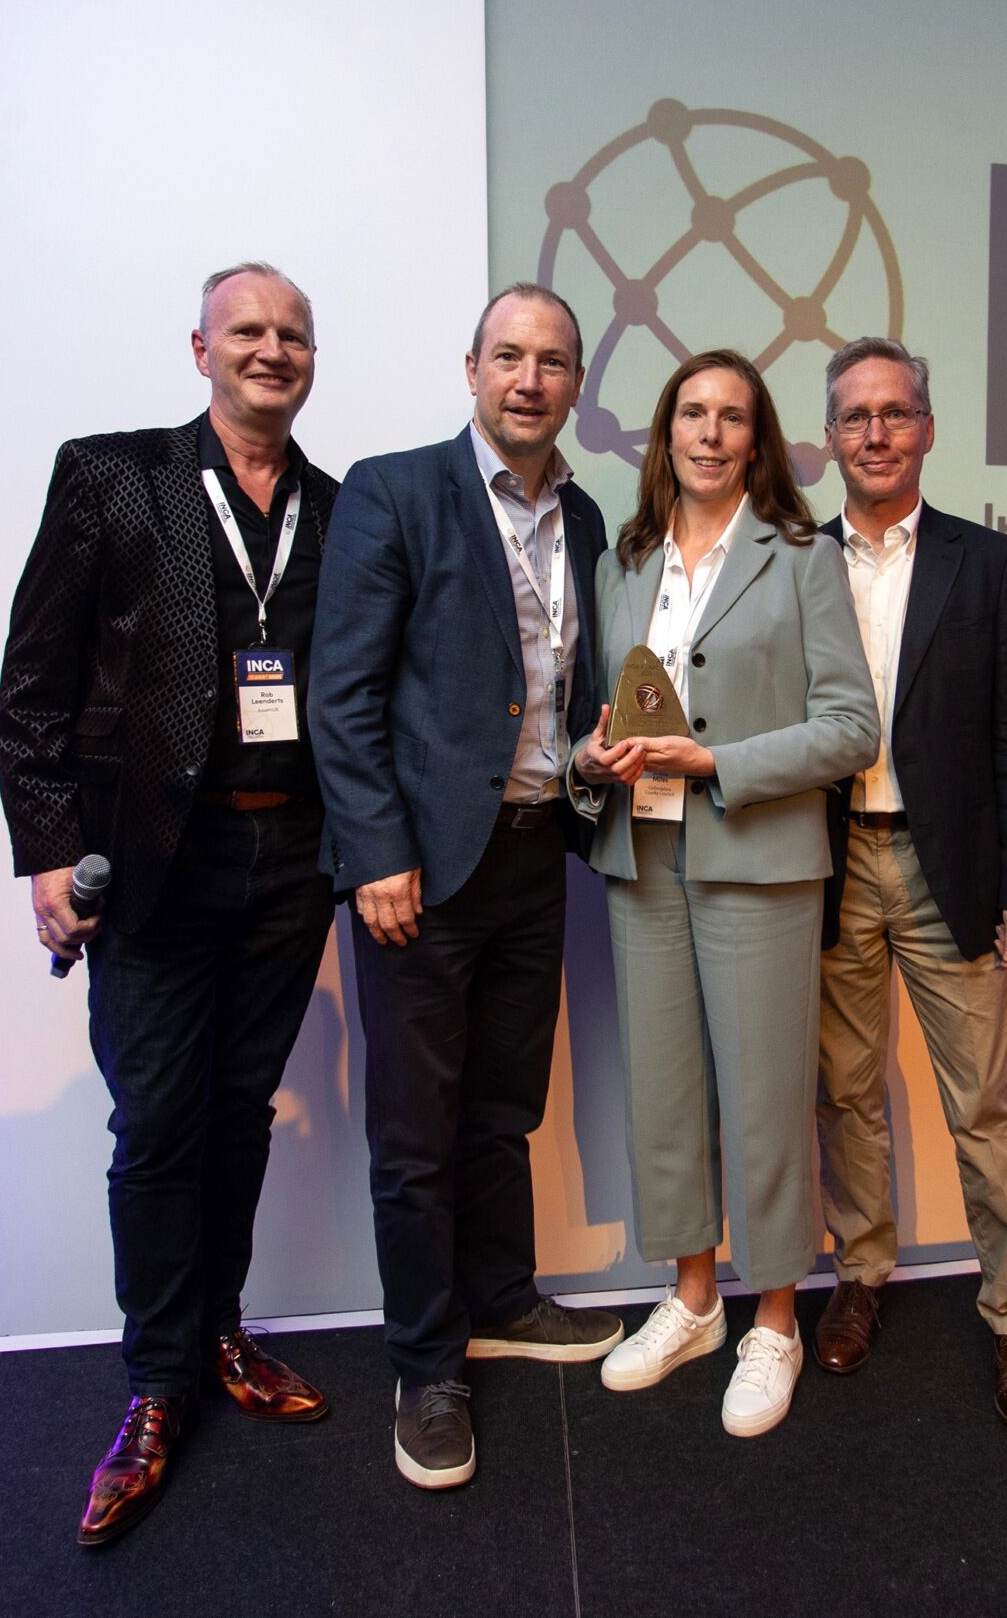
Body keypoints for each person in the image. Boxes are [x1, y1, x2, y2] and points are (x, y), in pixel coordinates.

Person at [0, 263, 341, 1546]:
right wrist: (48, 850)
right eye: (247, 331)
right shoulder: (114, 475)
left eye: (292, 335)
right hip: (151, 865)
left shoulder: (338, 509)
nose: (271, 350)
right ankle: (154, 1386)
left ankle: (219, 1331)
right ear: (200, 347)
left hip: (287, 865)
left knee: (239, 1112)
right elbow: (33, 680)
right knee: (155, 1125)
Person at [307, 283, 626, 1490]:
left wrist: (591, 758)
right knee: (414, 1135)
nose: (529, 380)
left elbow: (565, 685)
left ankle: (502, 1301)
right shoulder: (395, 492)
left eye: (552, 361)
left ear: (575, 383)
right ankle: (427, 1364)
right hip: (421, 874)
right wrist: (378, 854)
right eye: (508, 357)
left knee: (502, 1109)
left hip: (537, 851)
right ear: (470, 368)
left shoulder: (585, 517)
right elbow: (342, 696)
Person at [571, 349, 878, 1437]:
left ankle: (778, 1318)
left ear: (757, 440)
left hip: (756, 858)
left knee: (762, 1104)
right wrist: (591, 758)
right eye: (690, 413)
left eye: (731, 417)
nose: (708, 433)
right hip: (640, 857)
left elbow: (851, 727)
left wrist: (718, 765)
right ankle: (695, 1300)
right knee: (664, 1097)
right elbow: (597, 717)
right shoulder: (625, 561)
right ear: (665, 433)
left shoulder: (799, 557)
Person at [806, 336, 1007, 1430]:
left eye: (895, 413)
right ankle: (860, 1275)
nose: (875, 432)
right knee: (846, 1095)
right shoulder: (787, 561)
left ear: (927, 429)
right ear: (829, 437)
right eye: (856, 416)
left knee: (984, 1111)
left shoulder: (987, 563)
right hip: (825, 867)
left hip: (944, 865)